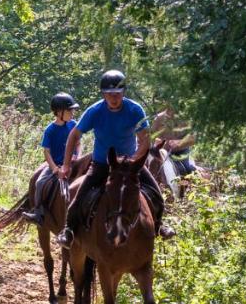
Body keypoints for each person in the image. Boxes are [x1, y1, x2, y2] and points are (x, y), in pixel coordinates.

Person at [55, 69, 173, 248]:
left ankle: (159, 225)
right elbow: (74, 135)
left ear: (123, 93)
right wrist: (65, 165)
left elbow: (144, 139)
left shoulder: (134, 109)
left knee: (156, 194)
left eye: (117, 94)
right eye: (109, 94)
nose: (114, 98)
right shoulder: (94, 111)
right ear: (103, 94)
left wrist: (134, 161)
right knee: (78, 196)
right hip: (102, 163)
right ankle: (69, 231)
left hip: (130, 165)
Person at [24, 92, 80, 224]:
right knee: (39, 183)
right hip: (56, 164)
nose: (72, 113)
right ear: (59, 112)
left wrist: (77, 156)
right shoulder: (50, 130)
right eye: (69, 110)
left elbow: (78, 143)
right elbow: (47, 152)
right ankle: (38, 213)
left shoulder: (73, 125)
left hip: (73, 162)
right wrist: (54, 168)